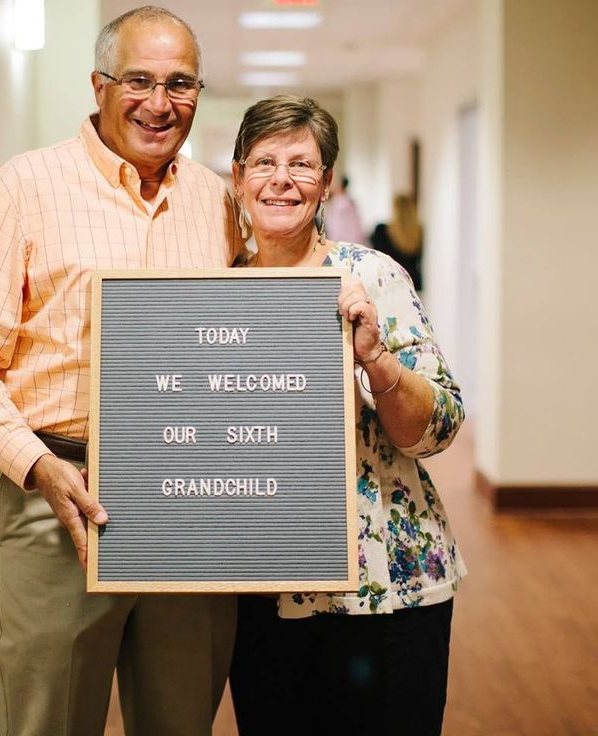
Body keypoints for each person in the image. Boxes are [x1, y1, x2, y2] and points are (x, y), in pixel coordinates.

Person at [0, 7, 242, 735]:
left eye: (181, 83)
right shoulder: (22, 189)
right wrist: (35, 466)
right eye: (140, 81)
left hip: (188, 503)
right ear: (99, 85)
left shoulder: (218, 202)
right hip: (56, 497)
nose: (160, 103)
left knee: (182, 718)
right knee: (46, 720)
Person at [228, 95, 466, 735]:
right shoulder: (212, 291)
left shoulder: (373, 276)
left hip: (386, 590)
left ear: (327, 184)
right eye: (264, 162)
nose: (282, 180)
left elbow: (440, 426)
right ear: (237, 176)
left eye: (302, 165)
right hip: (266, 593)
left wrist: (377, 361)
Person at [370, 192, 424, 290]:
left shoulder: (381, 231)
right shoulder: (418, 232)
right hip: (413, 284)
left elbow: (376, 258)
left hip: (389, 283)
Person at [325, 174, 366, 244]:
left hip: (343, 243)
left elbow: (336, 228)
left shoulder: (340, 203)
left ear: (340, 186)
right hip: (349, 242)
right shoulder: (347, 201)